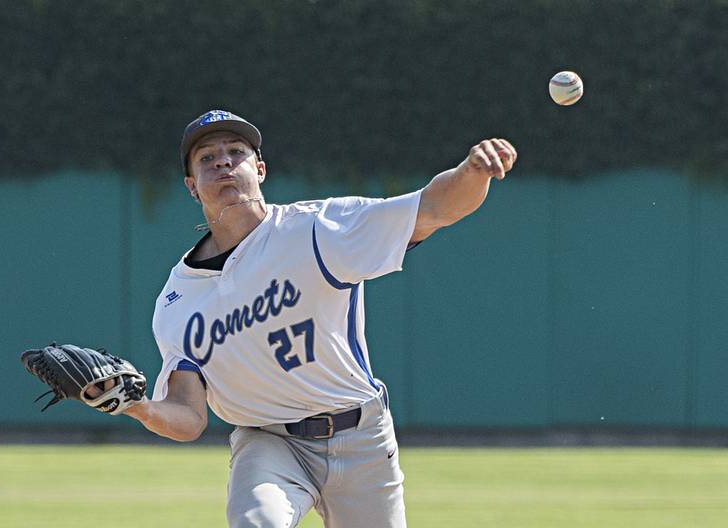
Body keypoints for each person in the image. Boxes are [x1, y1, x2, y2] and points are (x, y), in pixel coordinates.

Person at [123, 109, 517, 527]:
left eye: (235, 152)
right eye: (206, 158)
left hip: (362, 437)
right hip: (268, 443)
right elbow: (189, 417)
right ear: (191, 186)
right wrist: (136, 407)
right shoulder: (177, 299)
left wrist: (472, 172)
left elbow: (434, 208)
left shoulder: (318, 229)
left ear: (259, 169)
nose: (222, 161)